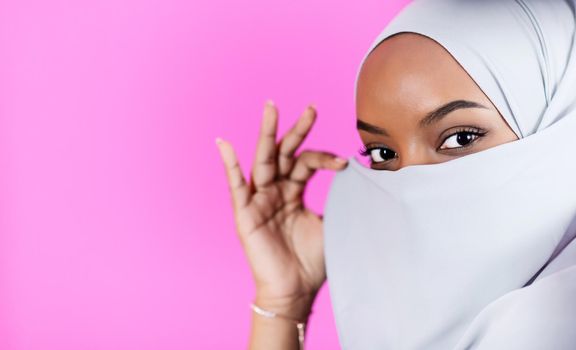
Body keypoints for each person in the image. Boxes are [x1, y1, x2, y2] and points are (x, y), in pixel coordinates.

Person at [216, 0, 576, 348]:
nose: (411, 183)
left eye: (460, 138)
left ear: (560, 125)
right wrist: (283, 300)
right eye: (383, 153)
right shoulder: (445, 317)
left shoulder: (548, 320)